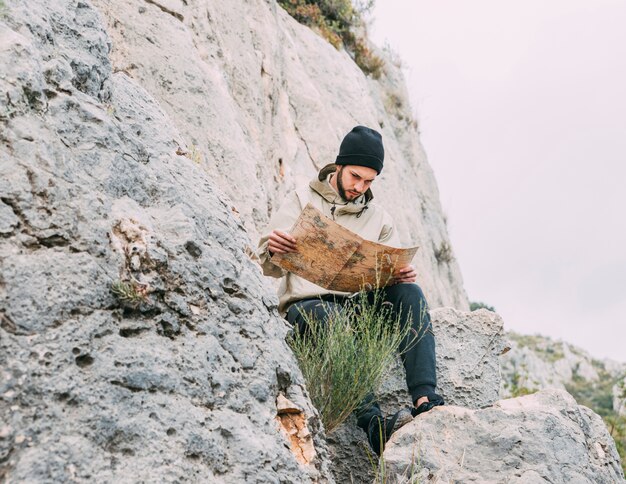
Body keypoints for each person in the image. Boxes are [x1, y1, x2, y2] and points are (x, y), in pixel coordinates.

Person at [257, 125, 443, 455]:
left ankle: (426, 399)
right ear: (339, 166)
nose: (360, 187)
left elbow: (388, 270)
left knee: (410, 294)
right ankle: (373, 424)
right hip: (309, 308)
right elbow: (263, 265)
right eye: (355, 177)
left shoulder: (380, 218)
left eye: (369, 181)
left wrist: (398, 275)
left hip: (357, 305)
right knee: (327, 316)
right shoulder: (302, 199)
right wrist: (272, 247)